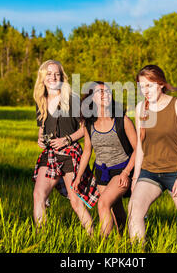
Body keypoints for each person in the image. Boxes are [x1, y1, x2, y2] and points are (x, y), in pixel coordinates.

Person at [32, 60, 99, 235]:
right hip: (50, 154)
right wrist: (40, 139)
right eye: (49, 74)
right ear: (43, 77)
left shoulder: (72, 99)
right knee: (38, 196)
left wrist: (67, 139)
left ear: (62, 77)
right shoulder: (41, 100)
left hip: (70, 154)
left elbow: (85, 129)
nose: (53, 77)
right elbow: (42, 129)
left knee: (75, 201)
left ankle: (93, 239)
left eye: (57, 74)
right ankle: (42, 238)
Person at [128, 65, 177, 242]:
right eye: (141, 87)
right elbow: (141, 147)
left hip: (176, 172)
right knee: (134, 212)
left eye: (148, 85)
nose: (144, 91)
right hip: (150, 172)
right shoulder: (141, 108)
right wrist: (135, 178)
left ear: (160, 84)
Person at [73, 81, 137, 237]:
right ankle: (121, 240)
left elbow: (138, 149)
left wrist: (126, 172)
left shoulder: (122, 120)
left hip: (122, 169)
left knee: (103, 203)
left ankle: (103, 245)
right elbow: (87, 151)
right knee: (116, 209)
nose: (105, 94)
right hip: (102, 172)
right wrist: (79, 177)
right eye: (99, 92)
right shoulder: (89, 124)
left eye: (107, 91)